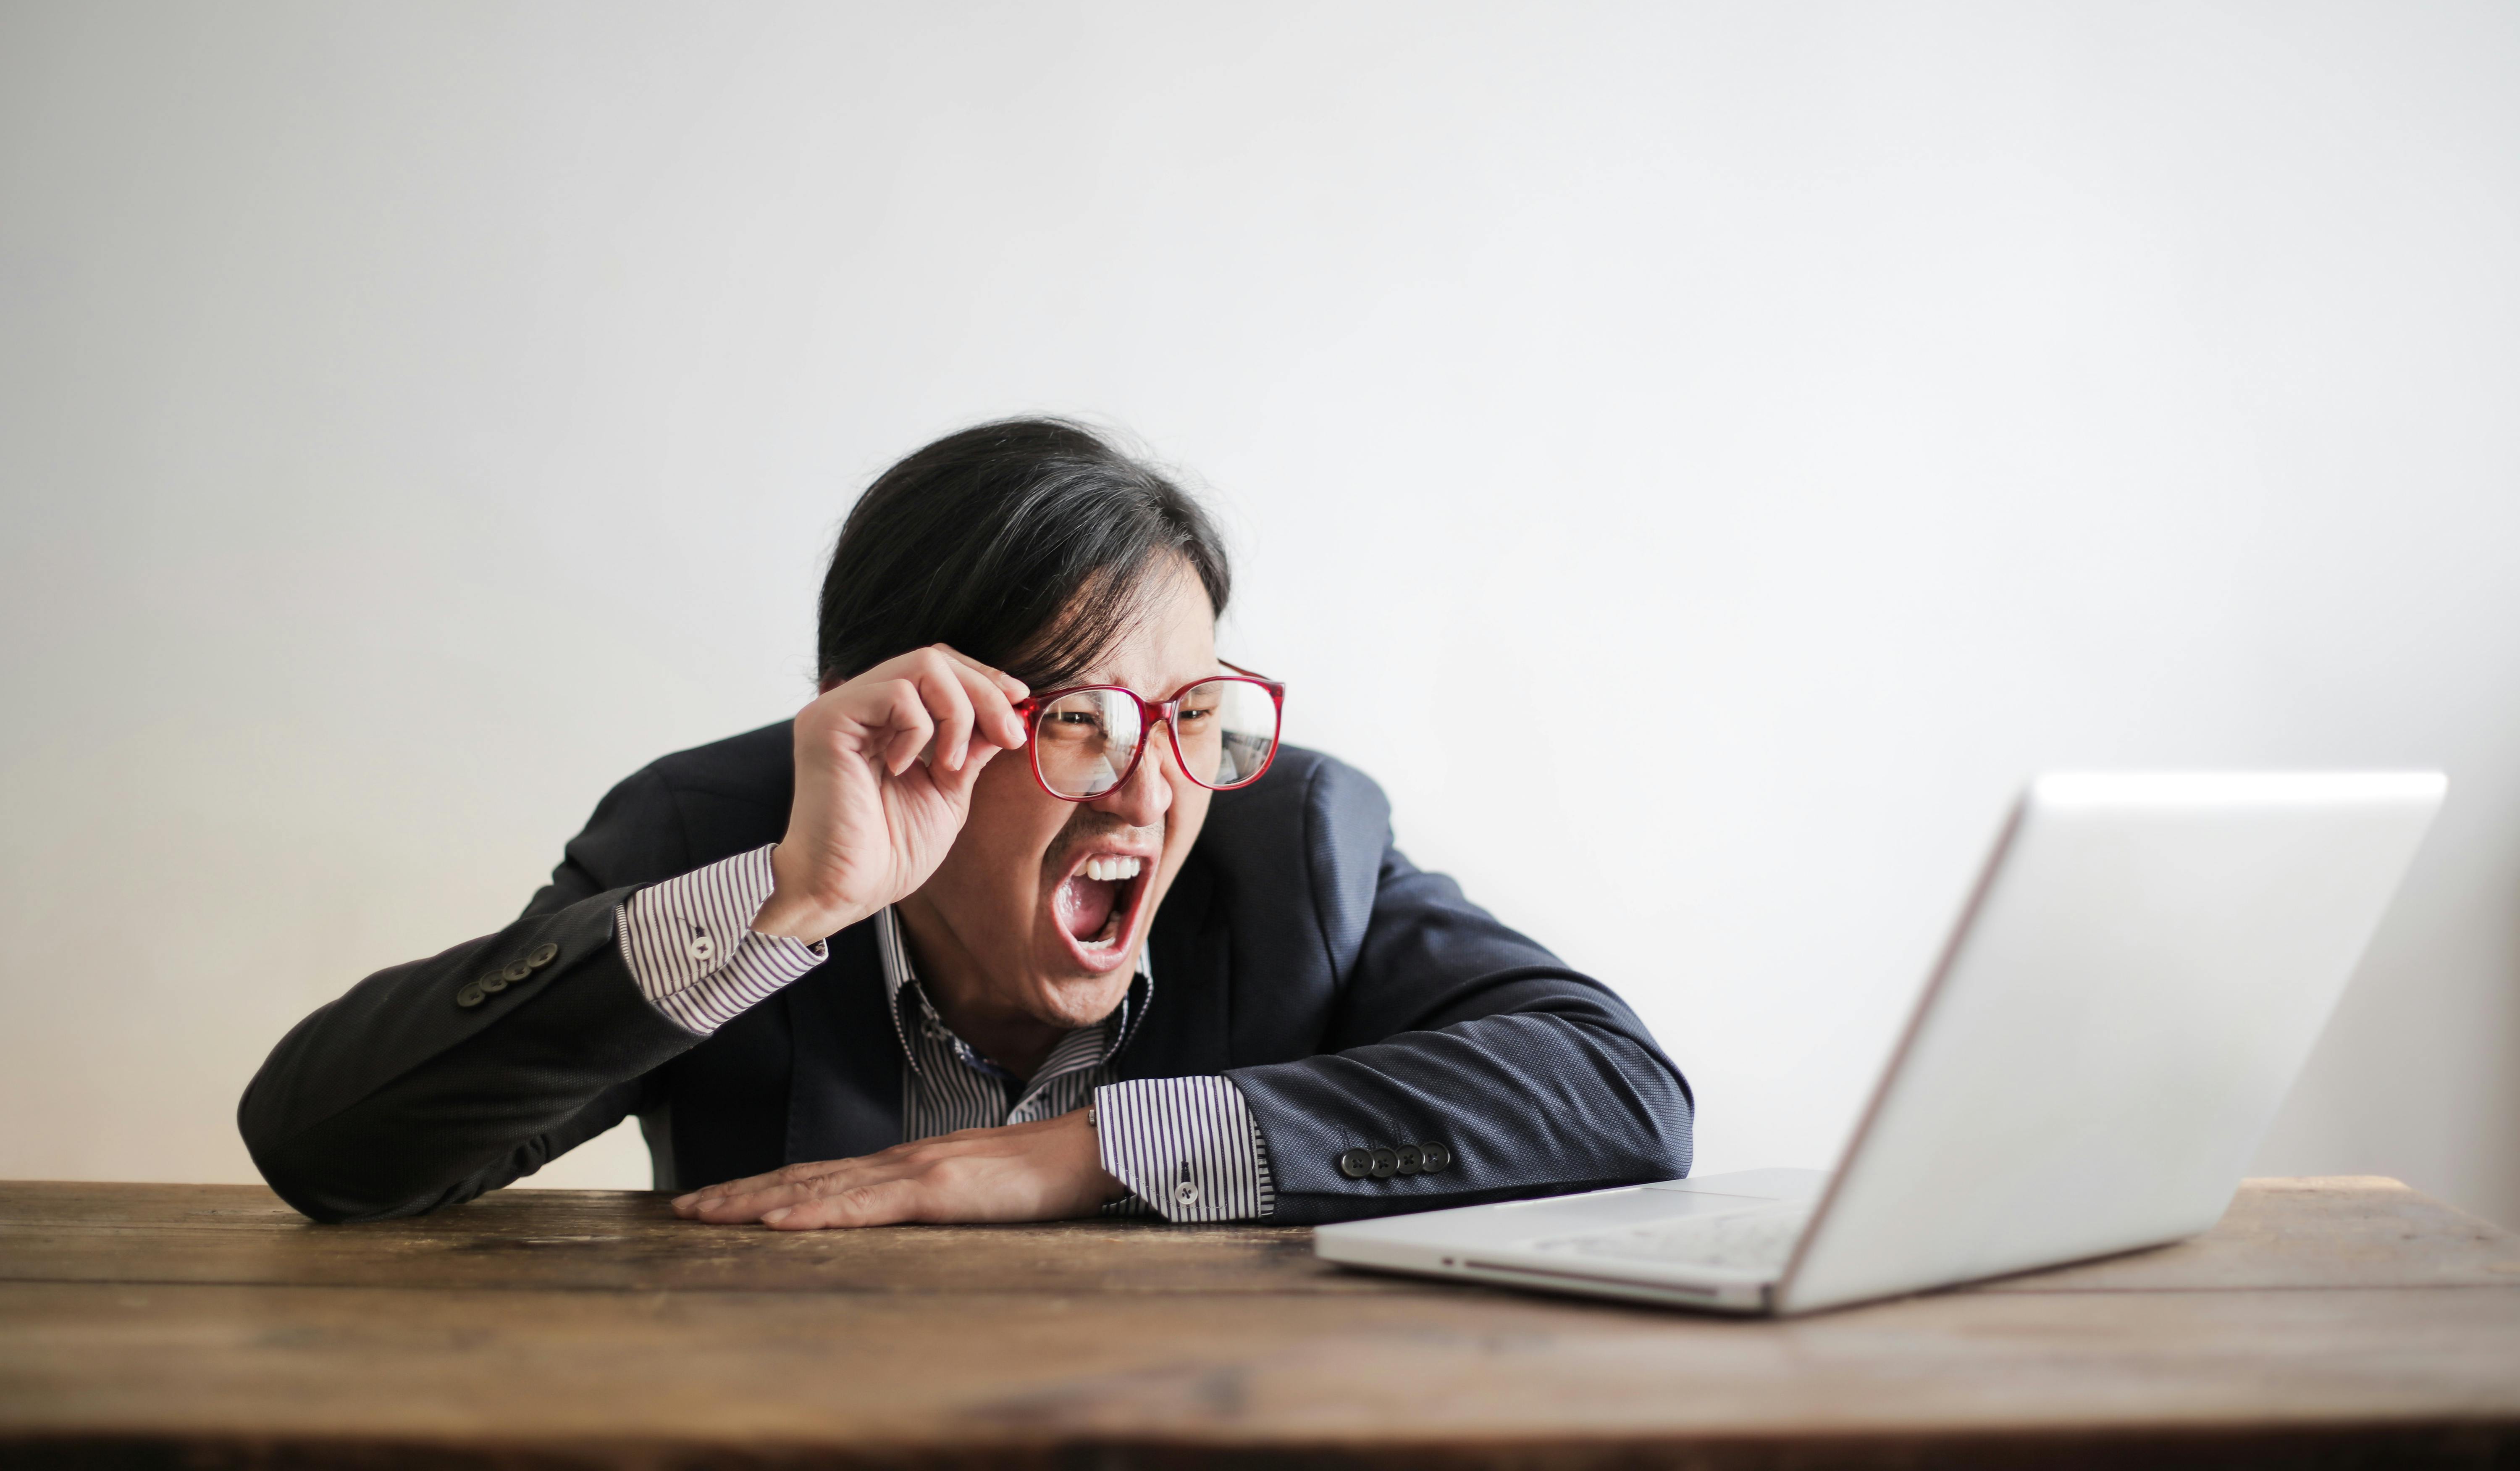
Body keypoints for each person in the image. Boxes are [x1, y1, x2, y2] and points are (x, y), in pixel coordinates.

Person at [239, 418, 1695, 1228]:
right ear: (887, 713)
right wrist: (783, 910)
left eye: (1191, 711)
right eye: (1075, 717)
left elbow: (1619, 1091)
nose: (1148, 788)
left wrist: (1076, 1154)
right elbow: (326, 1147)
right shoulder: (716, 832)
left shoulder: (1295, 837)